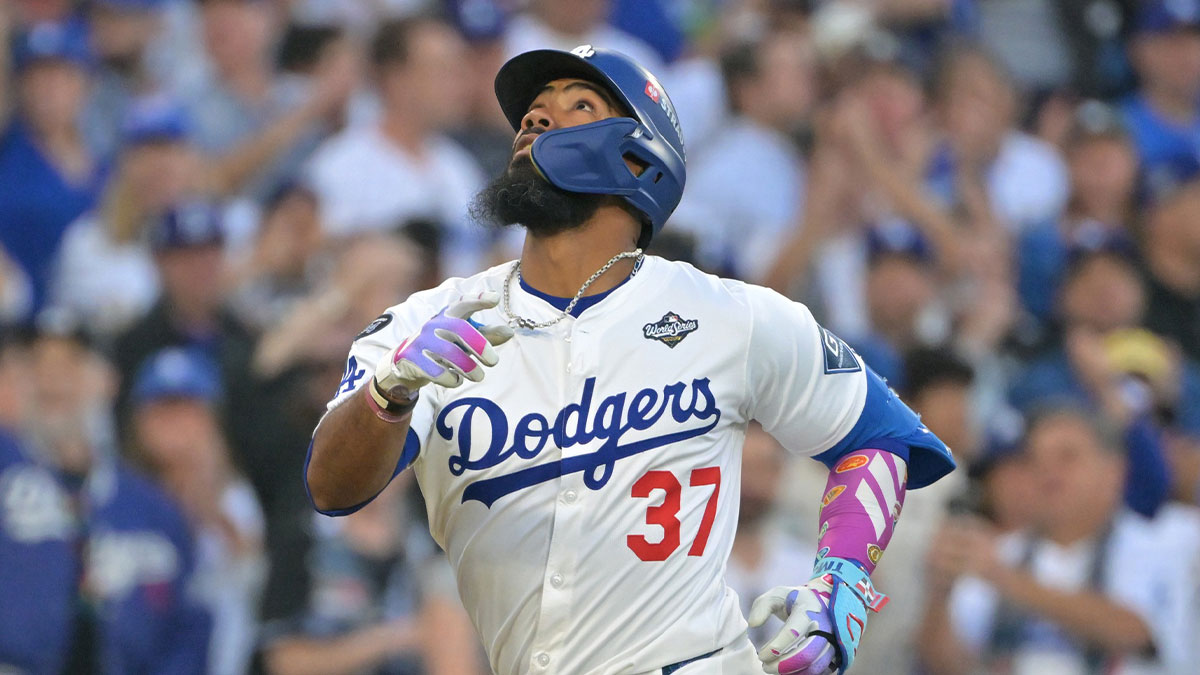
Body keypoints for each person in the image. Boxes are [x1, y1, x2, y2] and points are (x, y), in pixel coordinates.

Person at [305, 45, 954, 675]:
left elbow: (881, 435)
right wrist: (388, 396)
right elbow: (330, 487)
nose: (533, 118)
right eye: (532, 110)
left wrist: (841, 580)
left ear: (642, 160)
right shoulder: (426, 323)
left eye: (577, 106)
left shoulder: (731, 314)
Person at [0, 313, 211, 674]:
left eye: (72, 363)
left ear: (108, 381)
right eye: (38, 363)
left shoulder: (153, 510)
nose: (53, 379)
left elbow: (188, 627)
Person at [917, 407, 1200, 675]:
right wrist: (940, 594)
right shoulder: (1002, 551)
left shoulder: (1167, 540)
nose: (1048, 472)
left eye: (1067, 457)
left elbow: (1137, 634)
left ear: (1115, 470)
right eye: (1034, 459)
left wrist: (1004, 578)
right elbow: (950, 664)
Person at [304, 16, 487, 277]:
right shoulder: (339, 167)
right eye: (443, 70)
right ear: (395, 78)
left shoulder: (459, 167)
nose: (460, 84)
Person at [129, 347, 267, 675]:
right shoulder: (120, 490)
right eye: (164, 409)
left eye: (188, 408)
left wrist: (206, 496)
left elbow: (253, 578)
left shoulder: (234, 495)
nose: (177, 424)